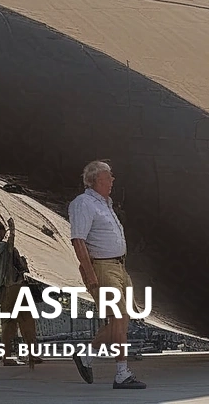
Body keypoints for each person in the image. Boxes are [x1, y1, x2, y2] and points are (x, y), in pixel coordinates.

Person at [69, 161, 145, 390]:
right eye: (108, 177)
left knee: (121, 319)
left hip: (119, 267)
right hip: (103, 267)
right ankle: (121, 373)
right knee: (119, 318)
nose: (112, 181)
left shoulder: (105, 204)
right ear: (95, 181)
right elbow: (78, 240)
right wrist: (91, 273)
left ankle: (87, 357)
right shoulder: (83, 204)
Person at [0, 215, 37, 366]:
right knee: (15, 322)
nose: (4, 234)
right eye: (2, 232)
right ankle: (10, 356)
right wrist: (13, 231)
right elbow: (9, 251)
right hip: (10, 286)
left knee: (22, 320)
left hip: (12, 286)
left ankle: (28, 355)